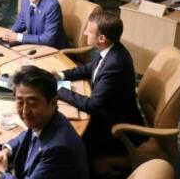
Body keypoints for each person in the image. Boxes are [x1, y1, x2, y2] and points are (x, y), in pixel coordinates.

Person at [56, 11, 145, 157]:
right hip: (106, 110)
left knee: (64, 133)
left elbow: (93, 105)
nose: (84, 33)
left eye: (88, 31)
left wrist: (57, 89)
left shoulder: (115, 63)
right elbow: (88, 68)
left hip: (113, 126)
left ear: (102, 38)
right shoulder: (108, 49)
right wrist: (61, 75)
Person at [5, 0, 69, 49]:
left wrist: (18, 37)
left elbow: (48, 39)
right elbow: (22, 21)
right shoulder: (25, 0)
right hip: (34, 45)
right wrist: (12, 32)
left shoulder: (52, 6)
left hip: (53, 49)